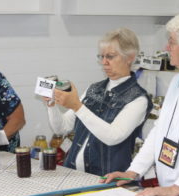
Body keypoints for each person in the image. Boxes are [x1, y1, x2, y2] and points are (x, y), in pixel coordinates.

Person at [101, 9, 179, 196]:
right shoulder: (178, 81)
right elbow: (160, 131)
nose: (167, 48)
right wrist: (134, 171)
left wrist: (178, 188)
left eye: (172, 42)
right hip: (174, 192)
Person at [43, 27, 152, 176]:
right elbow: (61, 128)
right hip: (73, 173)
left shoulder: (138, 99)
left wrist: (77, 106)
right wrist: (52, 104)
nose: (104, 62)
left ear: (130, 57)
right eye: (101, 56)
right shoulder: (94, 89)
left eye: (111, 56)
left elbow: (113, 136)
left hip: (106, 179)